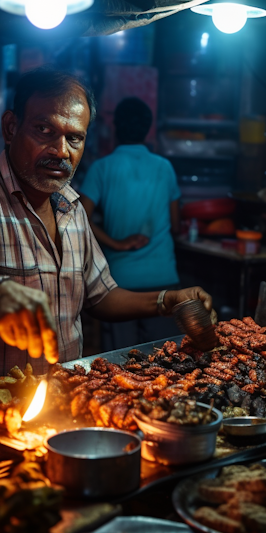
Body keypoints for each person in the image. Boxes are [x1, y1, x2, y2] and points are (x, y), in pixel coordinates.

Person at [0, 68, 212, 385]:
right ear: (11, 128)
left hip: (62, 412)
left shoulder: (70, 205)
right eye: (44, 130)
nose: (61, 151)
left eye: (74, 138)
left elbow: (101, 295)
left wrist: (169, 300)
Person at [80, 97, 181, 349]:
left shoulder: (101, 168)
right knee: (165, 367)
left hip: (119, 286)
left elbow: (78, 217)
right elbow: (176, 226)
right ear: (148, 129)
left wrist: (116, 243)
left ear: (116, 127)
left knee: (121, 368)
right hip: (163, 279)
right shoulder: (165, 167)